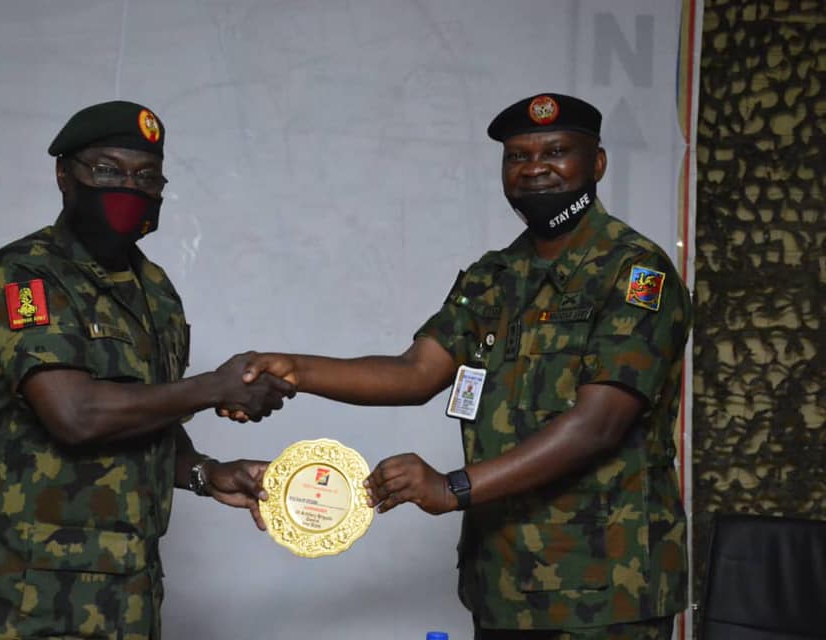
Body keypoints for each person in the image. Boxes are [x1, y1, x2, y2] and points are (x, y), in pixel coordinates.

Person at [231, 93, 690, 639]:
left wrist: (453, 489)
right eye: (517, 156)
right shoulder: (493, 277)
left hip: (604, 588)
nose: (534, 168)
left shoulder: (635, 273)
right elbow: (416, 371)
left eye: (556, 151)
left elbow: (599, 424)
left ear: (597, 163)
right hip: (501, 582)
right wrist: (296, 370)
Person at [0, 100, 295, 639]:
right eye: (107, 170)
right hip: (12, 596)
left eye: (146, 177)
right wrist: (214, 387)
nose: (128, 188)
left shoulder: (154, 290)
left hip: (123, 595)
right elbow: (75, 414)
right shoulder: (26, 277)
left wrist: (207, 474)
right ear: (64, 175)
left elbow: (143, 414)